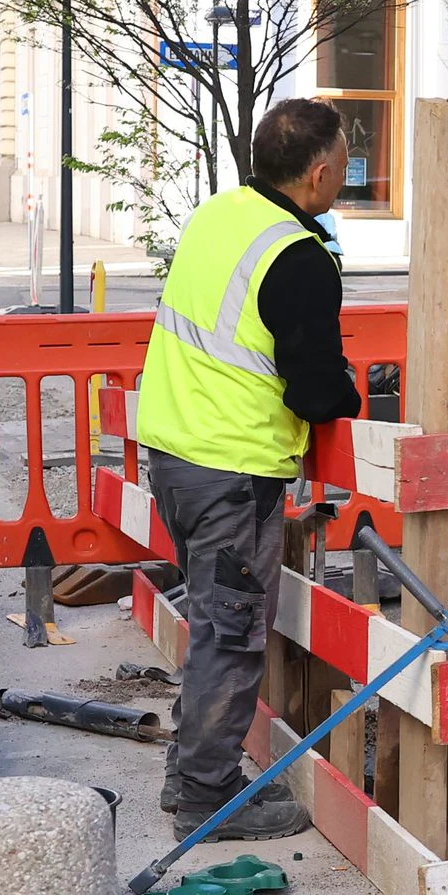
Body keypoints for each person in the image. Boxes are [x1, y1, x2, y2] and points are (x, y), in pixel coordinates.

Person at [132, 96, 364, 835]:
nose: (347, 173)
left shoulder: (220, 214)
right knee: (230, 636)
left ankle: (200, 771)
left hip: (173, 454)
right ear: (321, 173)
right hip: (232, 468)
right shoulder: (298, 257)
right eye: (347, 161)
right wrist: (355, 389)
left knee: (212, 622)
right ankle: (204, 795)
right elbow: (318, 390)